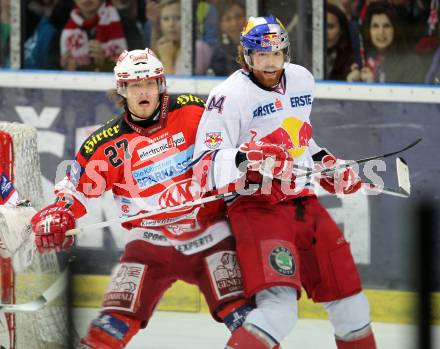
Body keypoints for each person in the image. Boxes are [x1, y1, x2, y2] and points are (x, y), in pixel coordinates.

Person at [30, 48, 253, 348]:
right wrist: (61, 211)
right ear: (122, 89)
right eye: (135, 85)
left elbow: (238, 141)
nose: (143, 91)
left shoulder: (196, 111)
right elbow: (76, 189)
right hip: (149, 242)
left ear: (161, 85)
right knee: (109, 329)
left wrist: (254, 157)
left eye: (149, 83)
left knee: (248, 322)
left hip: (210, 233)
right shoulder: (106, 143)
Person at [193, 15, 377, 349]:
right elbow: (204, 163)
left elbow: (301, 140)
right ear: (246, 56)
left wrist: (327, 164)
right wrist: (248, 158)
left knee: (352, 306)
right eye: (260, 55)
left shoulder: (302, 80)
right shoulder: (228, 95)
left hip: (303, 201)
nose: (269, 62)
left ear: (285, 53)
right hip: (255, 206)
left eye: (275, 54)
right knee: (279, 311)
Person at [347, 1, 426, 83]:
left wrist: (374, 85)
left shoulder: (412, 63)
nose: (381, 32)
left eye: (386, 26)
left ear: (395, 30)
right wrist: (353, 85)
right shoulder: (362, 60)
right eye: (375, 26)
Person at [60, 0, 127, 72]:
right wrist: (66, 69)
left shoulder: (124, 23)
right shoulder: (60, 23)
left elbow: (136, 68)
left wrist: (105, 64)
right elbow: (50, 69)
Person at [153, 0, 212, 75]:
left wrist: (167, 58)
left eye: (178, 18)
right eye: (166, 19)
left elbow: (180, 85)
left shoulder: (198, 48)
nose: (171, 24)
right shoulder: (160, 46)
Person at [207, 0, 245, 76]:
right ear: (221, 25)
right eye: (228, 19)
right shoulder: (219, 53)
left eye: (238, 17)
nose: (234, 23)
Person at [326, 3, 356, 80]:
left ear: (342, 30)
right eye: (320, 26)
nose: (325, 33)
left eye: (330, 26)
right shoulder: (304, 57)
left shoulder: (352, 61)